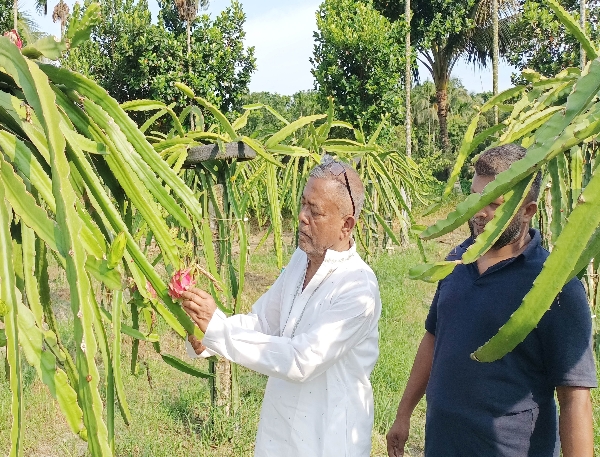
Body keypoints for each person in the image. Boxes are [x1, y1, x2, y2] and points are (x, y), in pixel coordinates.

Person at [386, 144, 597, 457]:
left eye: (495, 204)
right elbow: (434, 338)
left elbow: (574, 398)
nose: (479, 212)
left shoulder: (554, 285)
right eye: (475, 196)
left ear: (528, 211)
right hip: (442, 444)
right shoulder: (456, 260)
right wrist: (404, 414)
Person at [180, 155, 382, 456]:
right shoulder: (301, 260)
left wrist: (220, 332)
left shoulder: (358, 289)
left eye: (315, 211)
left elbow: (302, 360)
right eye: (303, 204)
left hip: (328, 442)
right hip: (281, 433)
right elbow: (263, 322)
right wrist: (208, 334)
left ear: (346, 225)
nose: (302, 217)